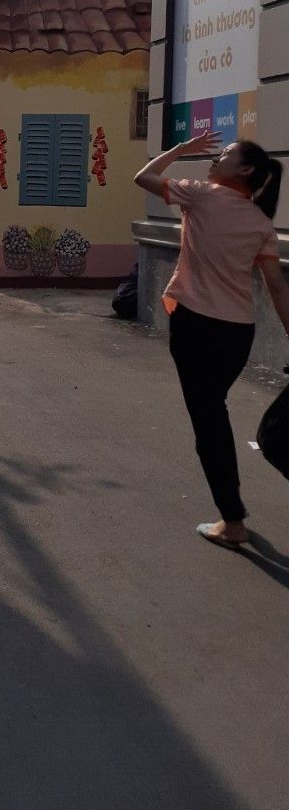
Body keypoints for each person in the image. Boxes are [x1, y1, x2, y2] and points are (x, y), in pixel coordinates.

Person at [134, 132, 289, 548]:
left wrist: (180, 150)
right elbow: (277, 287)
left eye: (225, 154)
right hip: (238, 334)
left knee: (209, 422)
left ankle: (232, 521)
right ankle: (231, 515)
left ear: (246, 170)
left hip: (196, 327)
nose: (216, 158)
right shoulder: (261, 223)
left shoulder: (200, 194)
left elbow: (143, 177)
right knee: (213, 412)